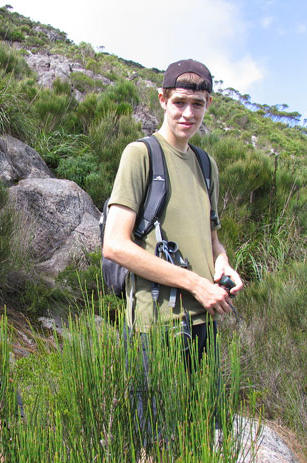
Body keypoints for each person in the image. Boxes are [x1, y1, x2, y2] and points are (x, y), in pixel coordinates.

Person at [102, 59, 243, 436]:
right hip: (156, 327)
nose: (188, 113)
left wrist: (223, 265)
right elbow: (115, 245)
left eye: (197, 104)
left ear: (208, 105)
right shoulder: (142, 154)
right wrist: (195, 283)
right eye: (179, 102)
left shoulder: (206, 164)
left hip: (203, 321)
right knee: (156, 447)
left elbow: (211, 239)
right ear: (162, 99)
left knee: (202, 438)